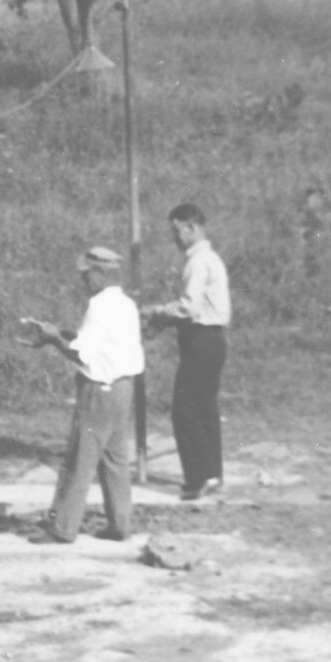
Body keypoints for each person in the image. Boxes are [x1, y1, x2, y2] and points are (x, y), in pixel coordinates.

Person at [19, 244, 144, 545]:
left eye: (86, 275)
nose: (83, 280)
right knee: (115, 460)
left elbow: (81, 354)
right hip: (123, 390)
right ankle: (120, 524)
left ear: (100, 274)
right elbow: (101, 343)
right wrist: (58, 334)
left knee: (79, 459)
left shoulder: (99, 306)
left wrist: (52, 339)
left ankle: (62, 527)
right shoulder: (125, 304)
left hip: (98, 393)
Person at [144, 202, 231, 501]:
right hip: (211, 340)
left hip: (201, 340)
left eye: (176, 231)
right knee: (204, 409)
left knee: (186, 411)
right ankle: (212, 474)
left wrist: (156, 311)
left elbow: (187, 307)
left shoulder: (197, 261)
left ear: (191, 228)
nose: (174, 238)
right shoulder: (210, 258)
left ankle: (198, 478)